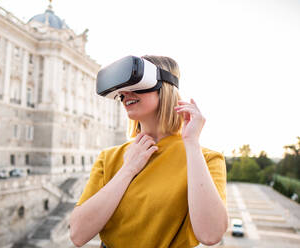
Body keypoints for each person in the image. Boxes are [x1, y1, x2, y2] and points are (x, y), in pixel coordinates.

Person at [70, 55, 228, 248]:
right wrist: (128, 169)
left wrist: (192, 143)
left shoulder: (206, 159)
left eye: (135, 85)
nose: (125, 94)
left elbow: (211, 235)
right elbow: (78, 234)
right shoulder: (110, 157)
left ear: (164, 88)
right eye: (121, 91)